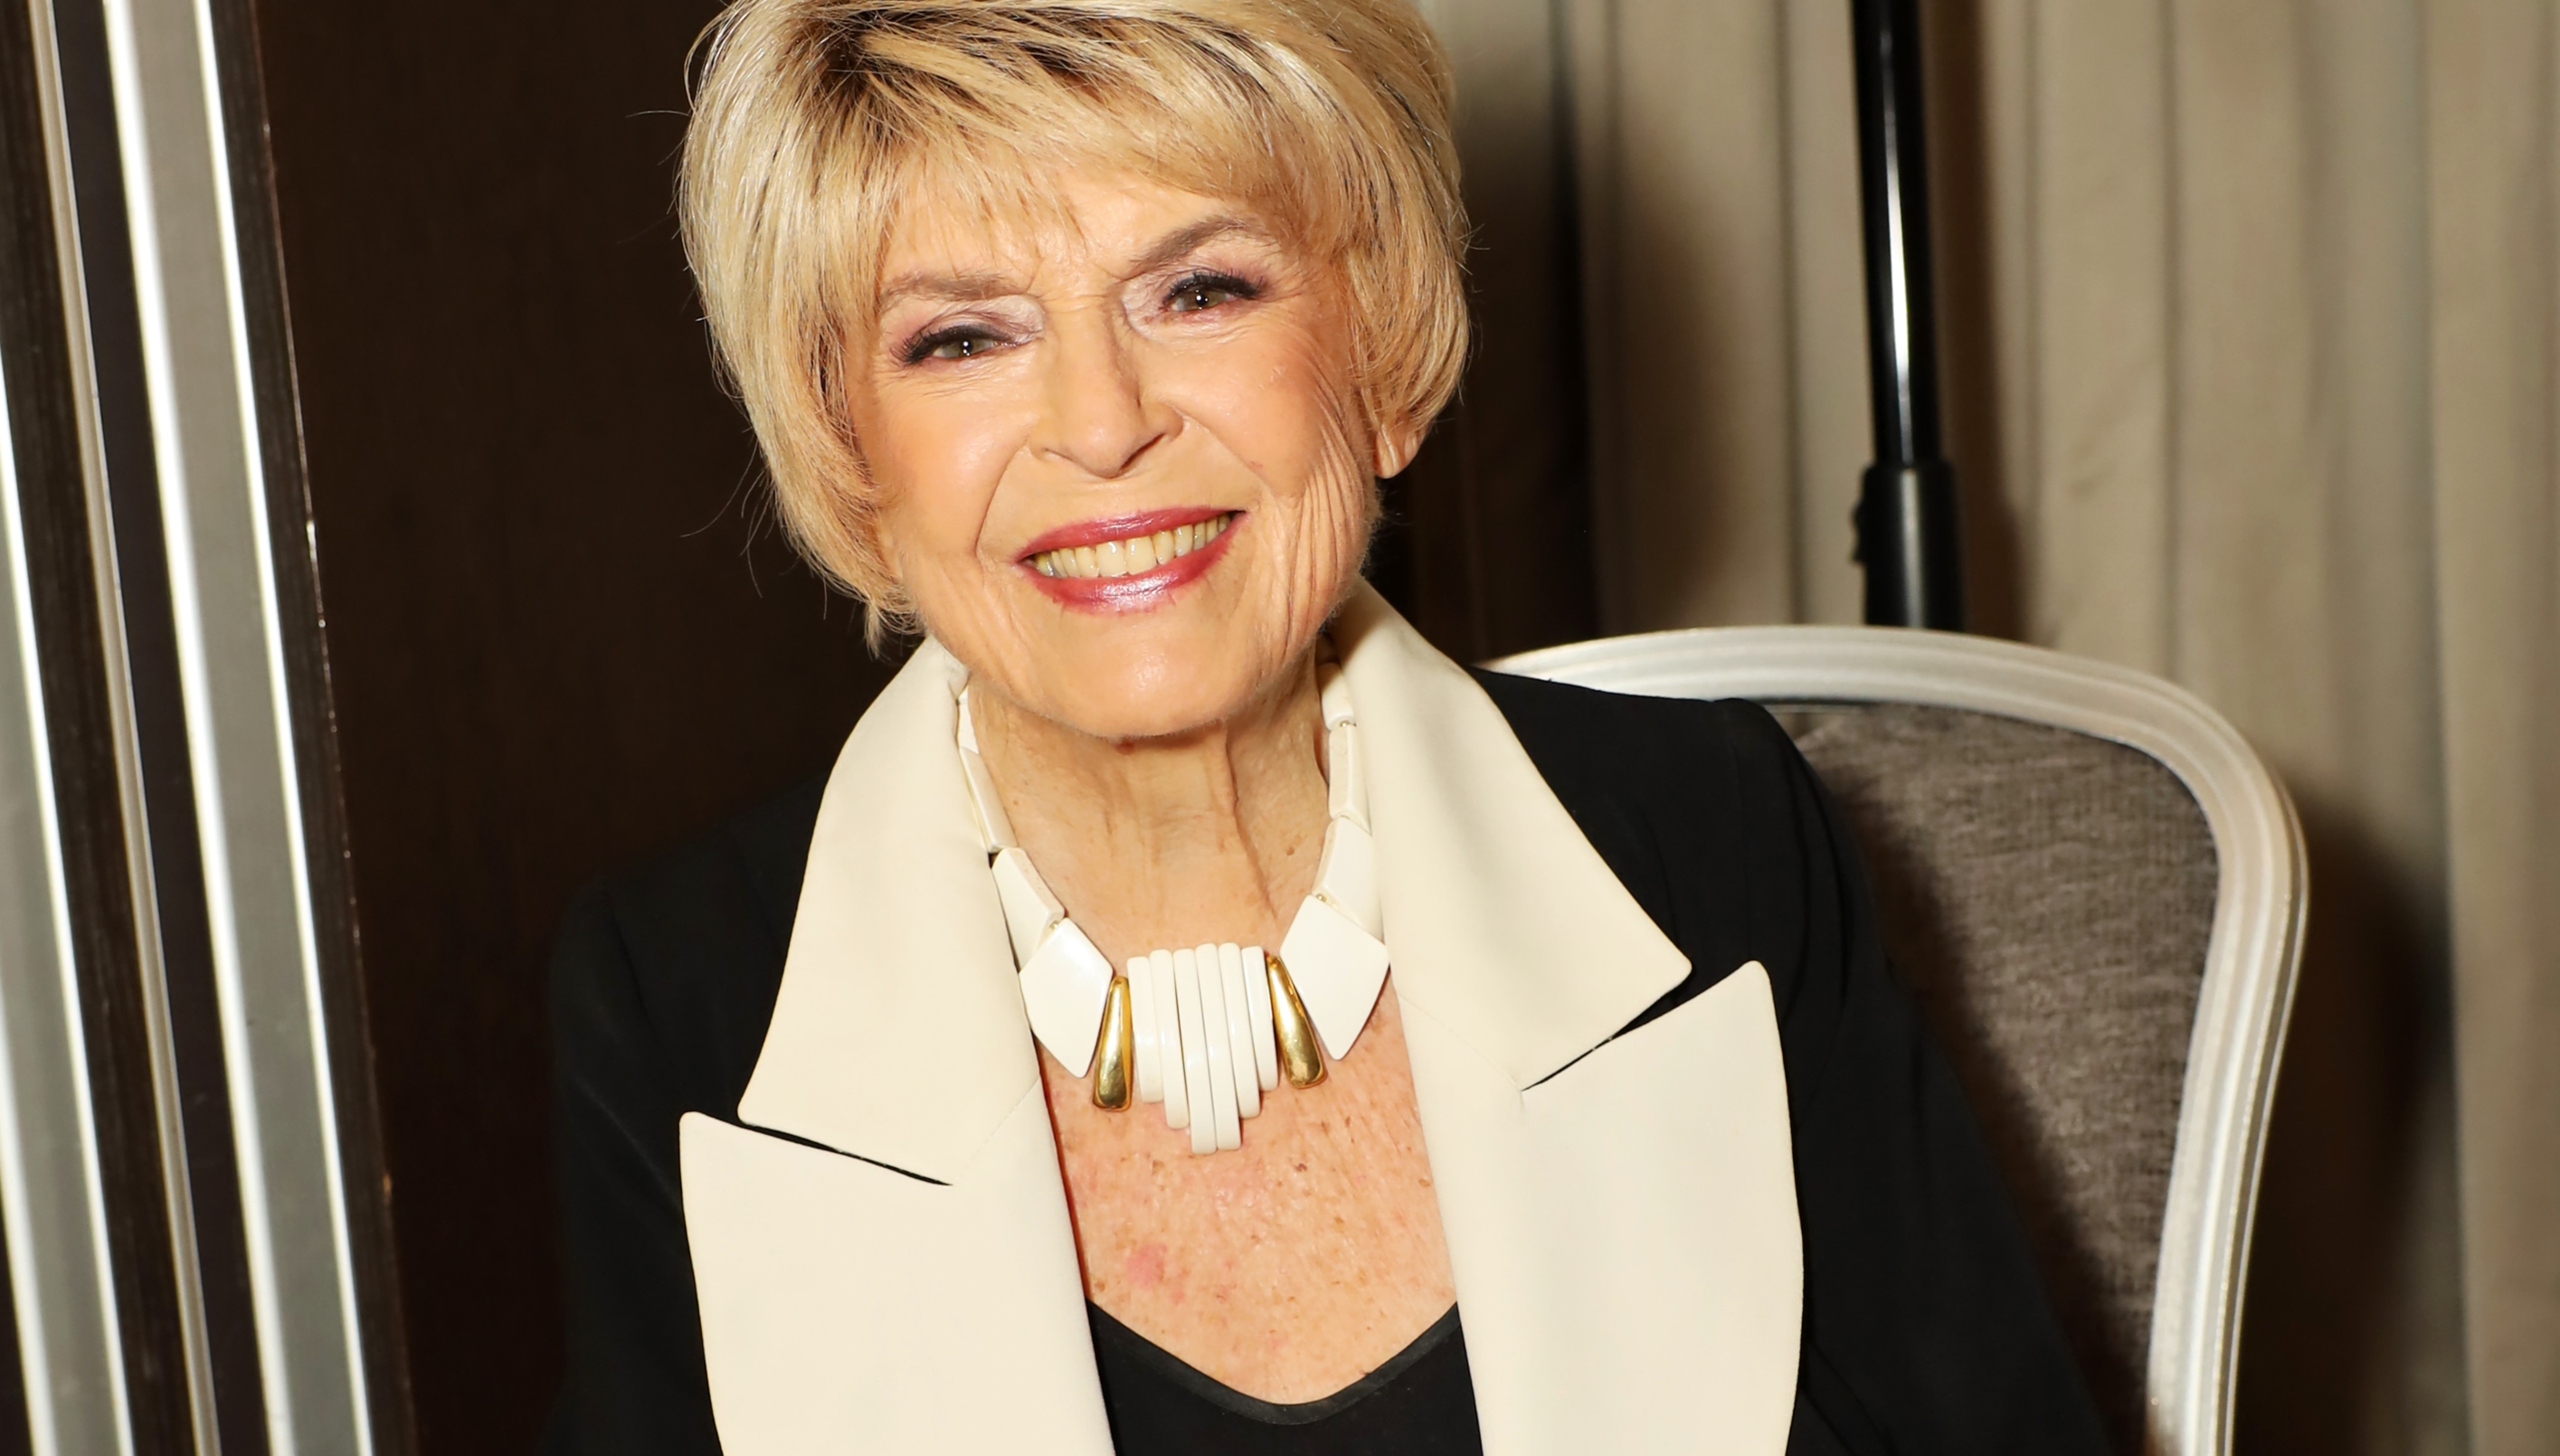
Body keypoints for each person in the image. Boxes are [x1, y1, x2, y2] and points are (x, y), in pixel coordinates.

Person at [542, 0, 2109, 1451]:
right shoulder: (680, 1011)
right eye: (965, 336)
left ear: (1379, 359)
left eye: (1198, 287)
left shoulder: (1711, 843)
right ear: (849, 454)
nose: (1102, 423)